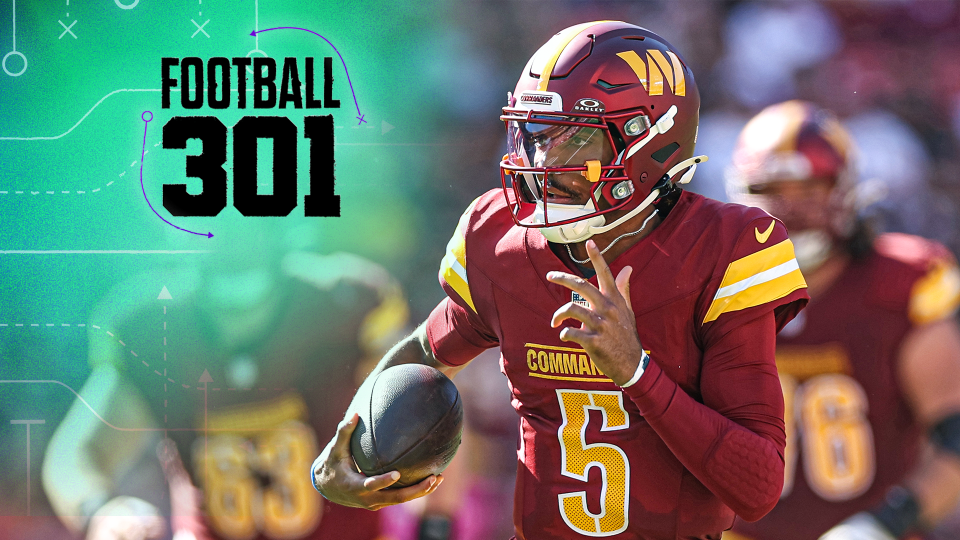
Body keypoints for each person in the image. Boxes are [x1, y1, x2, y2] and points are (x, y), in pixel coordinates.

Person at [312, 21, 810, 540]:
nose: (545, 162)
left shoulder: (725, 248)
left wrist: (636, 372)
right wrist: (346, 450)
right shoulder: (499, 239)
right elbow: (424, 352)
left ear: (649, 141)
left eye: (575, 139)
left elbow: (757, 488)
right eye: (538, 136)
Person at [41, 222, 410, 540]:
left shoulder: (345, 302)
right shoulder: (153, 330)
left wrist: (436, 519)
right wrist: (101, 511)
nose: (232, 231)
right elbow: (76, 454)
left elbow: (425, 410)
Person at [722, 101, 960, 540]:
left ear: (846, 191)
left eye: (810, 191)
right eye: (774, 191)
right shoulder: (713, 289)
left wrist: (886, 523)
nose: (791, 211)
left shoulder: (899, 287)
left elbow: (954, 440)